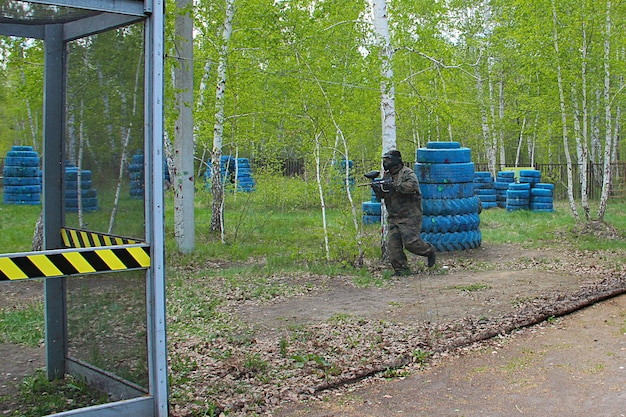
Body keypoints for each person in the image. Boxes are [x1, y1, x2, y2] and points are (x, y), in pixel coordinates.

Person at [371, 149, 436, 275]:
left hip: (410, 216)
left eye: (388, 159)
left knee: (411, 243)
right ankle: (401, 269)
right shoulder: (387, 175)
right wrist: (378, 189)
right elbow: (382, 197)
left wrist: (394, 186)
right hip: (394, 216)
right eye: (385, 160)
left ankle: (429, 250)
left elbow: (412, 187)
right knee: (392, 246)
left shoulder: (407, 173)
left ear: (396, 160)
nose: (386, 162)